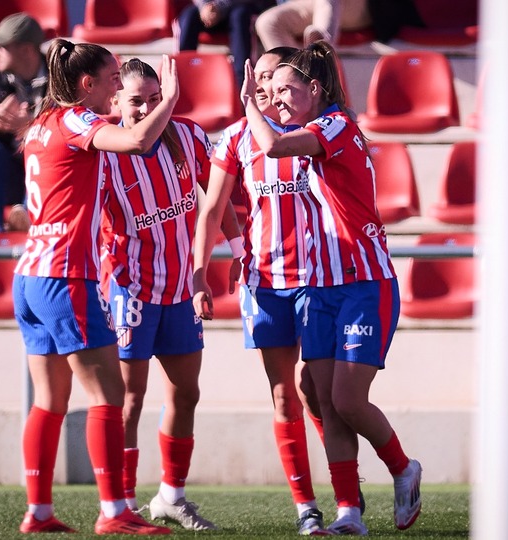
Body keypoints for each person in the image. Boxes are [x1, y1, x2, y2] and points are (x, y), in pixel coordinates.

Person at [237, 41, 422, 535]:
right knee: (320, 396)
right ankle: (349, 513)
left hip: (364, 283)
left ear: (315, 90)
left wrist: (249, 106)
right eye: (269, 92)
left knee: (346, 400)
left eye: (285, 91)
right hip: (321, 288)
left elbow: (272, 145)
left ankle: (403, 468)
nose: (275, 100)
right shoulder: (309, 129)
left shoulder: (334, 125)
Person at [13, 38, 180, 536]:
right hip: (66, 275)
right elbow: (136, 141)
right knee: (109, 394)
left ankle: (39, 512)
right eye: (111, 79)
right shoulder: (75, 120)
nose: (117, 88)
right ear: (86, 84)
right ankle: (114, 511)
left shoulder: (41, 125)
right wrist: (168, 99)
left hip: (30, 276)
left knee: (49, 400)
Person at [192, 46, 332, 536]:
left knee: (319, 393)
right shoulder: (234, 138)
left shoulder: (315, 133)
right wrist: (201, 270)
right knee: (282, 395)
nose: (268, 87)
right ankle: (307, 507)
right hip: (265, 280)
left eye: (276, 77)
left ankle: (348, 497)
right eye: (261, 77)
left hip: (319, 280)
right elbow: (212, 207)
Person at [100, 58, 242, 531]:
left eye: (154, 97)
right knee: (128, 400)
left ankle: (171, 497)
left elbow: (217, 198)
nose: (146, 107)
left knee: (186, 393)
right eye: (136, 99)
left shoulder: (189, 136)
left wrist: (239, 248)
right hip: (129, 289)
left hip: (180, 288)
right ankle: (120, 503)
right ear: (115, 101)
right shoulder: (103, 150)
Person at [0, 12, 48, 234]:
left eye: (2, 46)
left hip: (45, 175)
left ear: (26, 50)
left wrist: (30, 127)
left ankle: (26, 214)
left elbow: (66, 134)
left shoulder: (58, 79)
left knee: (41, 148)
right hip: (10, 176)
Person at [176, 0, 273, 86]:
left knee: (240, 16)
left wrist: (219, 6)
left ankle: (242, 83)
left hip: (243, 6)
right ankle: (183, 78)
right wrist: (205, 7)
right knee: (189, 16)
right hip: (211, 10)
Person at [255, 0, 372, 50]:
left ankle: (321, 47)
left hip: (359, 7)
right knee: (267, 22)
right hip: (310, 4)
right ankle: (297, 75)